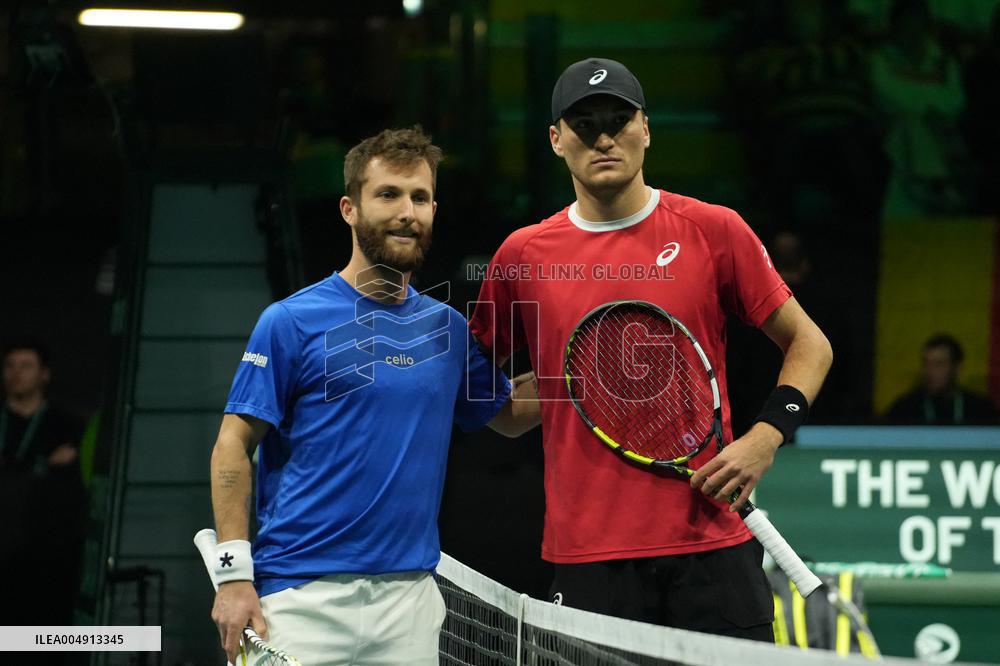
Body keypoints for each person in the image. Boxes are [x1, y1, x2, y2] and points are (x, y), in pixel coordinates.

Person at [469, 58, 833, 641]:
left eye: (619, 118)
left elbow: (810, 344)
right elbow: (498, 409)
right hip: (589, 558)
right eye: (585, 124)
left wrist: (765, 438)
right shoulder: (522, 254)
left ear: (647, 128)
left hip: (712, 548)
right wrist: (578, 391)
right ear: (556, 140)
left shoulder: (714, 230)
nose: (605, 136)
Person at [208, 127, 540, 666]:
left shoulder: (448, 331)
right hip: (298, 599)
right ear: (349, 209)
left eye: (420, 197)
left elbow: (507, 414)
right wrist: (233, 577)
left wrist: (586, 376)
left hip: (408, 605)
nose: (407, 211)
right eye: (387, 194)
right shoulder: (289, 322)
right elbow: (232, 445)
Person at [0, 340, 85, 636]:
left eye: (26, 366)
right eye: (10, 366)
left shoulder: (68, 426)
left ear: (44, 374)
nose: (16, 374)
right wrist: (43, 465)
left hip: (47, 559)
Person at [885, 334, 998, 424]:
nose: (929, 371)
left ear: (957, 368)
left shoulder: (980, 408)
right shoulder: (905, 409)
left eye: (938, 364)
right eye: (925, 363)